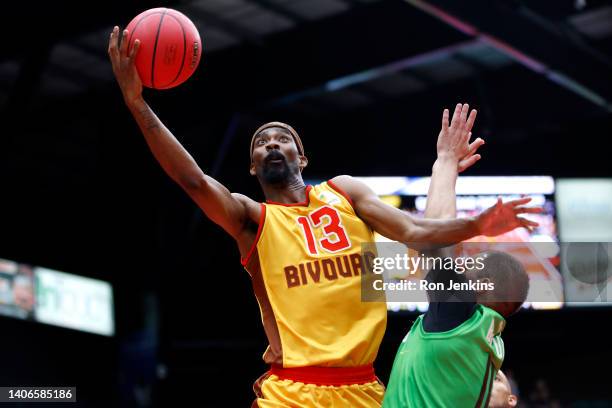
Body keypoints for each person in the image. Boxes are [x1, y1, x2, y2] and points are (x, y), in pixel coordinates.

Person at [108, 26, 539, 408]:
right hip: (293, 389)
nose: (272, 144)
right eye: (261, 143)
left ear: (303, 156)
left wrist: (478, 224)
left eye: (283, 139)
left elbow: (414, 231)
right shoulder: (252, 219)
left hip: (363, 388)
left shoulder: (344, 191)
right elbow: (195, 182)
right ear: (254, 167)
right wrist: (136, 103)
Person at [382, 123, 538, 407]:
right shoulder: (487, 338)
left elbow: (434, 235)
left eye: (471, 264)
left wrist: (446, 162)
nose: (462, 262)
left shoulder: (459, 320)